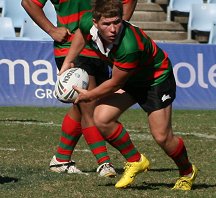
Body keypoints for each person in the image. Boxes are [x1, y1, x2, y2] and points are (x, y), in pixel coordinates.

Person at [60, 0, 198, 190]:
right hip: (132, 79)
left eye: (117, 22)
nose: (113, 29)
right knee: (101, 118)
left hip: (155, 80)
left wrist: (89, 95)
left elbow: (115, 82)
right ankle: (135, 160)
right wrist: (68, 60)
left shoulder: (129, 45)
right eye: (106, 24)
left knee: (161, 137)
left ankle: (187, 172)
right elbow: (81, 36)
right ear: (95, 22)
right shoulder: (86, 22)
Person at [21, 0, 137, 176]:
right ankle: (105, 163)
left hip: (100, 50)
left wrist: (116, 29)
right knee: (91, 106)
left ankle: (61, 159)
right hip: (70, 48)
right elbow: (28, 2)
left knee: (81, 107)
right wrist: (52, 30)